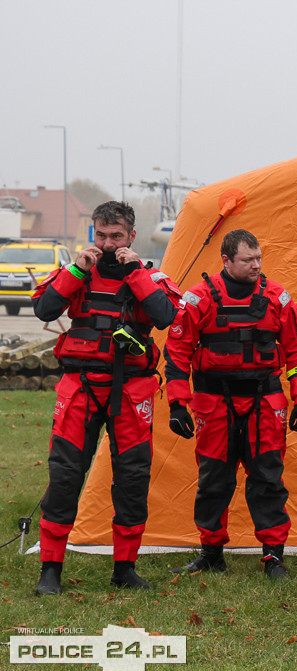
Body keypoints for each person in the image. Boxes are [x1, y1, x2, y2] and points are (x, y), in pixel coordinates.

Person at [32, 201, 181, 595]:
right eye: (101, 235)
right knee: (64, 477)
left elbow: (165, 316)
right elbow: (45, 307)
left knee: (132, 479)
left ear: (132, 236)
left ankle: (124, 568)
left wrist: (135, 273)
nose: (108, 243)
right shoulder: (77, 271)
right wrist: (78, 269)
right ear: (92, 234)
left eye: (116, 236)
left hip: (132, 391)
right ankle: (50, 569)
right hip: (79, 387)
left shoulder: (150, 276)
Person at [164, 229, 297, 580]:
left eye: (259, 258)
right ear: (226, 260)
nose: (257, 266)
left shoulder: (278, 298)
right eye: (248, 260)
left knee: (268, 479)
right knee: (213, 480)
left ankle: (273, 557)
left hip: (264, 400)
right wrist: (176, 404)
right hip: (214, 403)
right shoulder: (199, 299)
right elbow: (177, 354)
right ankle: (211, 553)